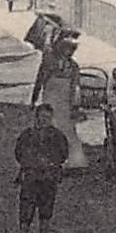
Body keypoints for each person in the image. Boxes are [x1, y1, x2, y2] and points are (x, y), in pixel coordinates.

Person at [14, 104, 70, 233]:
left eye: (47, 117)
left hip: (49, 177)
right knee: (26, 210)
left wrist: (52, 165)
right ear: (36, 117)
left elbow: (64, 154)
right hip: (31, 177)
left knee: (46, 210)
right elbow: (18, 152)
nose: (44, 120)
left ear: (51, 119)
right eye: (42, 117)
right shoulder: (27, 135)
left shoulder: (57, 136)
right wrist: (29, 165)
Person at [31, 31, 88, 169]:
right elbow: (40, 80)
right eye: (66, 49)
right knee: (49, 126)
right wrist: (34, 99)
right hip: (50, 99)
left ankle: (72, 160)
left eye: (71, 50)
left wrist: (75, 105)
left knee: (67, 129)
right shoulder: (49, 62)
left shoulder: (74, 67)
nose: (69, 53)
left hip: (64, 102)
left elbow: (75, 88)